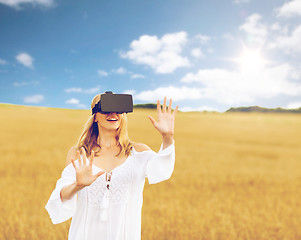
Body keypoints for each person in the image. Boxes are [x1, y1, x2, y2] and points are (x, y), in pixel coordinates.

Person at [45, 92, 178, 240]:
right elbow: (62, 195)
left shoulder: (138, 152)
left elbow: (162, 170)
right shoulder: (79, 154)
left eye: (119, 110)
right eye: (106, 109)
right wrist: (78, 185)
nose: (113, 114)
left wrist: (167, 138)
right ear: (95, 116)